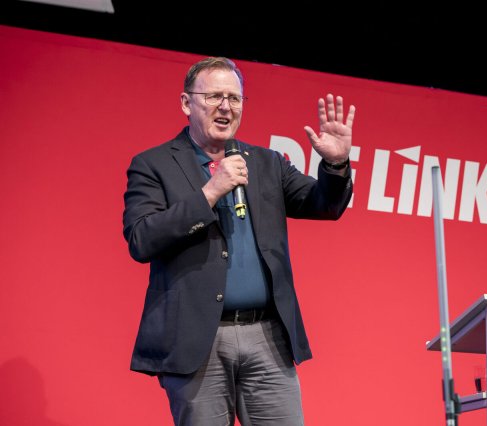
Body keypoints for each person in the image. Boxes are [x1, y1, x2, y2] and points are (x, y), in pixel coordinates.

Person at [122, 56, 355, 425]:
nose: (226, 107)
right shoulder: (153, 165)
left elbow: (324, 205)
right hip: (198, 342)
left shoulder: (266, 162)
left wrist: (336, 166)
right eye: (214, 96)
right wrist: (209, 193)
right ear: (187, 103)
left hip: (267, 338)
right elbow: (142, 238)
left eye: (235, 98)